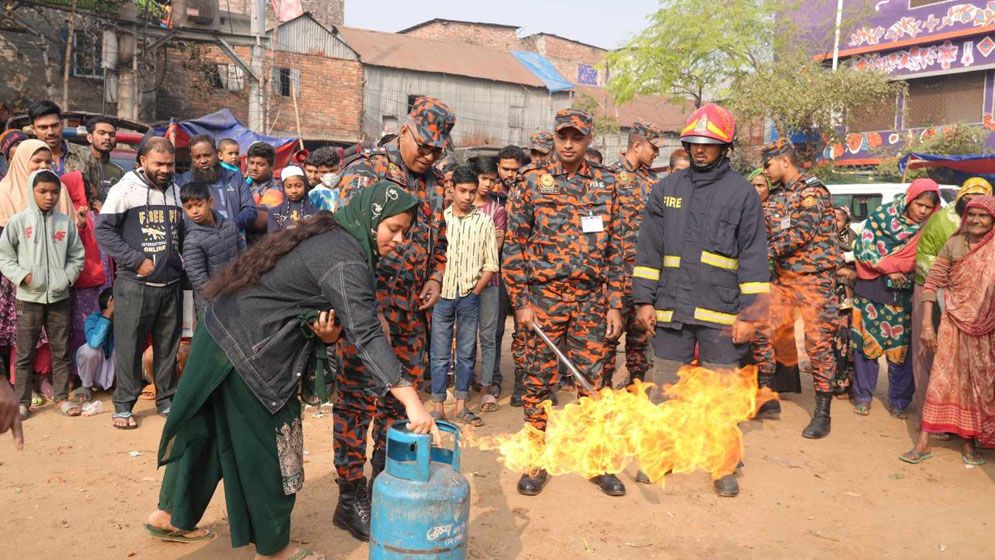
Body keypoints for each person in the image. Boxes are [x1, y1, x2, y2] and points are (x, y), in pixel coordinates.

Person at [147, 182, 439, 560]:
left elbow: (300, 304)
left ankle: (167, 515)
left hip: (222, 330)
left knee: (207, 430)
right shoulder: (346, 258)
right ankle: (273, 550)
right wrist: (412, 401)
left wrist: (330, 336)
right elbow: (367, 333)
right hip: (248, 350)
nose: (399, 239)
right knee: (268, 449)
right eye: (393, 228)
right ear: (371, 218)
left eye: (405, 232)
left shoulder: (334, 234)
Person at [332, 97, 453, 541]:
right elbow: (346, 241)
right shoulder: (366, 172)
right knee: (355, 402)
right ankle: (350, 496)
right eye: (423, 145)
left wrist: (436, 278)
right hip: (366, 310)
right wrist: (369, 308)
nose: (428, 155)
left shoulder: (438, 184)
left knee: (398, 400)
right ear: (405, 131)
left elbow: (440, 242)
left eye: (437, 150)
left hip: (412, 314)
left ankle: (383, 479)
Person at [632, 103, 768, 497]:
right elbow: (648, 251)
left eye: (709, 144)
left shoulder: (742, 194)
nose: (700, 151)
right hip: (671, 310)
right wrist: (643, 301)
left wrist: (750, 314)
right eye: (694, 143)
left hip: (722, 315)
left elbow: (755, 258)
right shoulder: (667, 189)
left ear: (726, 147)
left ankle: (722, 463)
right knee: (665, 392)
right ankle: (661, 456)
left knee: (720, 396)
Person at [504, 108, 625, 497]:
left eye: (577, 136)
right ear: (554, 138)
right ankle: (535, 460)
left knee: (592, 383)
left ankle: (595, 461)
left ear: (588, 139)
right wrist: (521, 301)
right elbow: (514, 245)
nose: (569, 143)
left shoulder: (608, 184)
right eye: (563, 136)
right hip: (544, 300)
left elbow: (618, 250)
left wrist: (614, 304)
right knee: (537, 382)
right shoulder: (532, 183)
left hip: (591, 301)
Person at [95, 137, 186, 429]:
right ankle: (123, 406)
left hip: (170, 284)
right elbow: (103, 231)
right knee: (129, 346)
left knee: (167, 346)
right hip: (134, 284)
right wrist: (135, 260)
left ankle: (166, 400)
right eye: (158, 163)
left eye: (170, 164)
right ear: (142, 161)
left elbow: (183, 234)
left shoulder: (177, 191)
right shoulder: (125, 188)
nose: (165, 169)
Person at [900, 195, 995, 465]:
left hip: (987, 329)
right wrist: (928, 326)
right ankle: (923, 442)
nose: (976, 220)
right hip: (952, 324)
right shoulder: (953, 243)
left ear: (992, 220)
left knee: (977, 385)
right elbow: (931, 285)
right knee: (942, 381)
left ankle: (969, 443)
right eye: (972, 215)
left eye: (983, 216)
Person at [762, 139, 841, 437]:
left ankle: (823, 413)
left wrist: (763, 251)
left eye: (768, 164)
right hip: (783, 280)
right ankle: (768, 398)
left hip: (813, 280)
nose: (766, 170)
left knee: (817, 344)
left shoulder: (812, 192)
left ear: (784, 161)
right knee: (765, 332)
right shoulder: (779, 195)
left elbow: (802, 233)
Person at [851, 178, 940, 419]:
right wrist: (890, 267)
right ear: (909, 199)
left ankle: (899, 400)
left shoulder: (934, 225)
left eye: (928, 207)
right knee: (866, 346)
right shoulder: (883, 217)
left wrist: (904, 268)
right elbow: (863, 248)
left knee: (902, 349)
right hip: (872, 288)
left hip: (908, 293)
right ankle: (863, 396)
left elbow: (933, 257)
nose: (922, 211)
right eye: (919, 204)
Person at [0, 169, 84, 420]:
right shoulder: (18, 222)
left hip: (59, 298)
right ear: (32, 192)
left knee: (60, 351)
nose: (49, 197)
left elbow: (76, 257)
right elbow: (5, 256)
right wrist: (22, 277)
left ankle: (61, 398)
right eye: (43, 191)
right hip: (28, 298)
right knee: (25, 352)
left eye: (54, 192)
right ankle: (23, 402)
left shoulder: (65, 223)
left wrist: (66, 278)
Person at [912, 177, 992, 413]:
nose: (976, 218)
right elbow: (929, 263)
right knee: (941, 360)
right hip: (945, 301)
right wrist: (954, 286)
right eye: (969, 203)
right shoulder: (944, 224)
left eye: (982, 208)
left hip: (983, 315)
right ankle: (935, 414)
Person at [431, 165, 498, 425]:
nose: (468, 197)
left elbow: (491, 264)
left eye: (472, 192)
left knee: (467, 352)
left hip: (470, 295)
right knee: (438, 352)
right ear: (452, 189)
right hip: (442, 296)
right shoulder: (440, 219)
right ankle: (438, 406)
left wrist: (475, 290)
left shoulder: (484, 221)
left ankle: (461, 405)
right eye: (462, 191)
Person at [606, 121, 665, 389]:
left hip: (644, 275)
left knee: (640, 341)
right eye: (654, 147)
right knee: (607, 340)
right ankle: (603, 395)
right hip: (613, 275)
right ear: (637, 145)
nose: (657, 153)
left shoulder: (654, 182)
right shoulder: (608, 178)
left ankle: (637, 390)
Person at [62, 170, 109, 402]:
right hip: (80, 280)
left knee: (102, 320)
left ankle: (99, 373)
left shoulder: (98, 213)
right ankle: (79, 375)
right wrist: (79, 224)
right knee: (80, 327)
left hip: (102, 279)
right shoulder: (65, 216)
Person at [469, 156, 506, 410]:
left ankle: (486, 386)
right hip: (460, 281)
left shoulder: (498, 210)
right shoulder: (458, 205)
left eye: (492, 180)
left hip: (490, 281)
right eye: (484, 178)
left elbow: (497, 246)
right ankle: (463, 382)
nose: (488, 184)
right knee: (464, 335)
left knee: (489, 335)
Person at [180, 181, 245, 316]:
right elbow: (199, 279)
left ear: (210, 202)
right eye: (188, 207)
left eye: (199, 205)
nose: (194, 211)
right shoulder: (192, 240)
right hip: (211, 305)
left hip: (237, 294)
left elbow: (244, 255)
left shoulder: (229, 225)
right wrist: (218, 301)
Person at [176, 135, 256, 231]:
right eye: (197, 157)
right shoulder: (184, 181)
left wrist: (231, 227)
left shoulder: (235, 177)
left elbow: (250, 209)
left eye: (207, 155)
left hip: (234, 239)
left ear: (217, 154)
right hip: (201, 242)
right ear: (192, 158)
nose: (203, 161)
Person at [831, 206, 857, 398]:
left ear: (846, 222)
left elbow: (860, 265)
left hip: (847, 301)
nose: (833, 223)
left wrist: (847, 272)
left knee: (846, 341)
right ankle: (829, 382)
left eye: (838, 220)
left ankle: (845, 384)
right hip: (827, 296)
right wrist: (840, 271)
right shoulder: (821, 239)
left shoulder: (854, 240)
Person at [27, 100, 89, 179]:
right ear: (33, 129)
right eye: (43, 127)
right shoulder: (26, 157)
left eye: (54, 125)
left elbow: (95, 189)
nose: (50, 132)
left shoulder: (85, 155)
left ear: (62, 124)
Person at [76, 287, 116, 396]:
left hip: (115, 373)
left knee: (125, 348)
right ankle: (86, 386)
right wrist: (108, 313)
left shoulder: (126, 319)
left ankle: (120, 387)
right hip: (97, 372)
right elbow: (94, 342)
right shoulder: (93, 319)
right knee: (89, 351)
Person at [83, 116, 125, 198]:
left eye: (111, 134)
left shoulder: (119, 172)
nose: (107, 138)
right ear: (89, 137)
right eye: (102, 133)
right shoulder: (77, 166)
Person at [269, 166, 319, 233]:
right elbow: (273, 238)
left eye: (298, 186)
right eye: (289, 187)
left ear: (305, 185)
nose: (294, 191)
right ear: (283, 187)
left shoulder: (314, 212)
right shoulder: (275, 213)